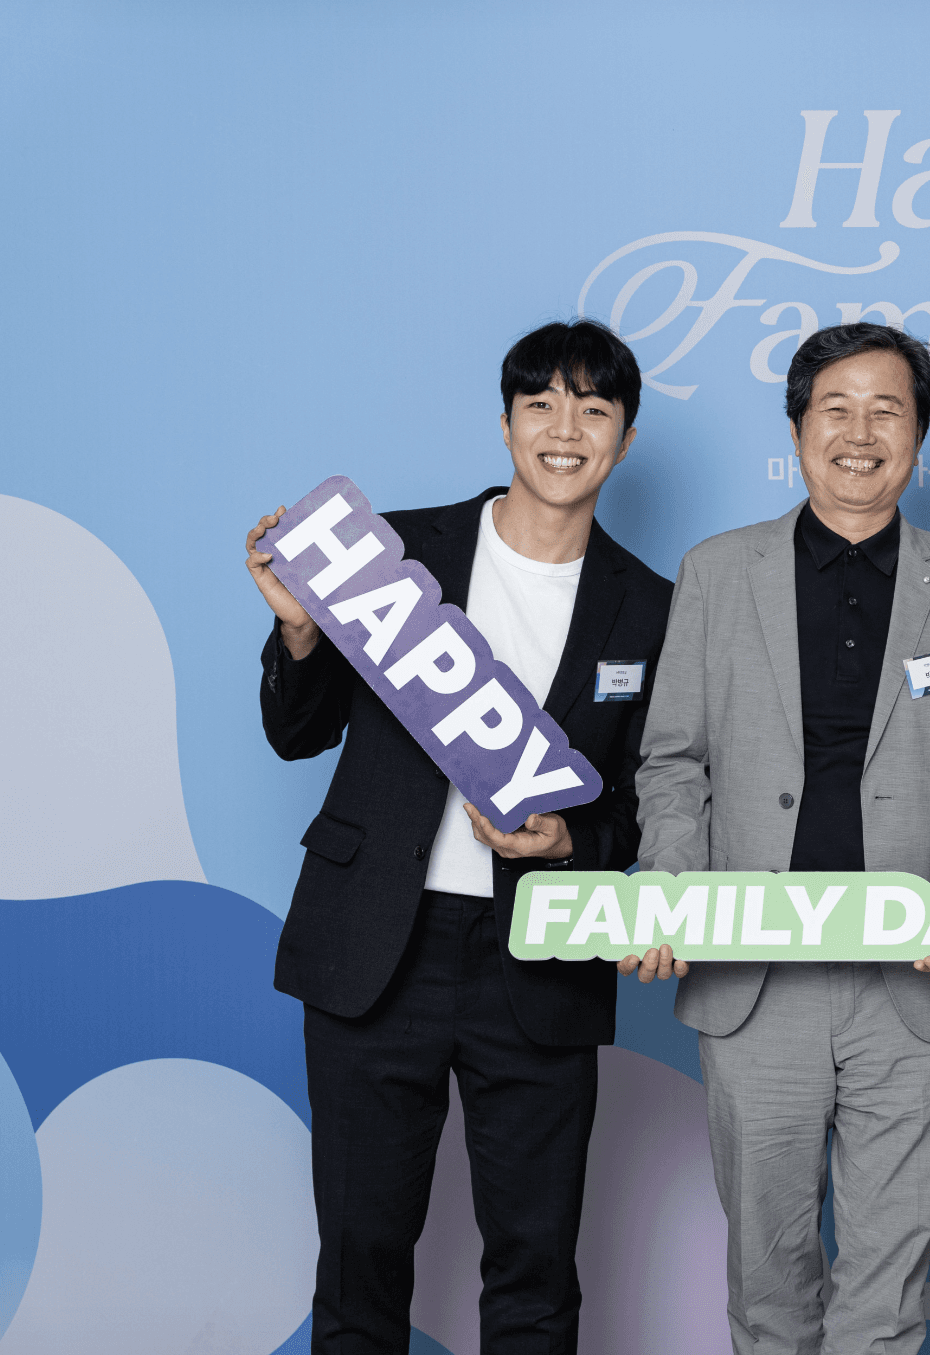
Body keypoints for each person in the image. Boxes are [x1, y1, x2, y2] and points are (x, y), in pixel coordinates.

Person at [246, 320, 675, 1354]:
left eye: (593, 410)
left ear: (623, 440)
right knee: (360, 1258)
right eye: (542, 405)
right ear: (506, 424)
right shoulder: (395, 558)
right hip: (375, 947)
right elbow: (297, 735)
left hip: (540, 958)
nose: (565, 430)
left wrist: (566, 841)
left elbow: (645, 803)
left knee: (536, 1269)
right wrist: (299, 631)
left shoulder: (654, 609)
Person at [622, 321, 930, 1355]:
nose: (860, 434)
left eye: (886, 411)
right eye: (835, 410)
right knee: (768, 1278)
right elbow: (672, 760)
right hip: (755, 972)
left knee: (886, 1292)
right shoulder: (717, 572)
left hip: (914, 979)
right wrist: (670, 891)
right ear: (798, 430)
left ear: (919, 435)